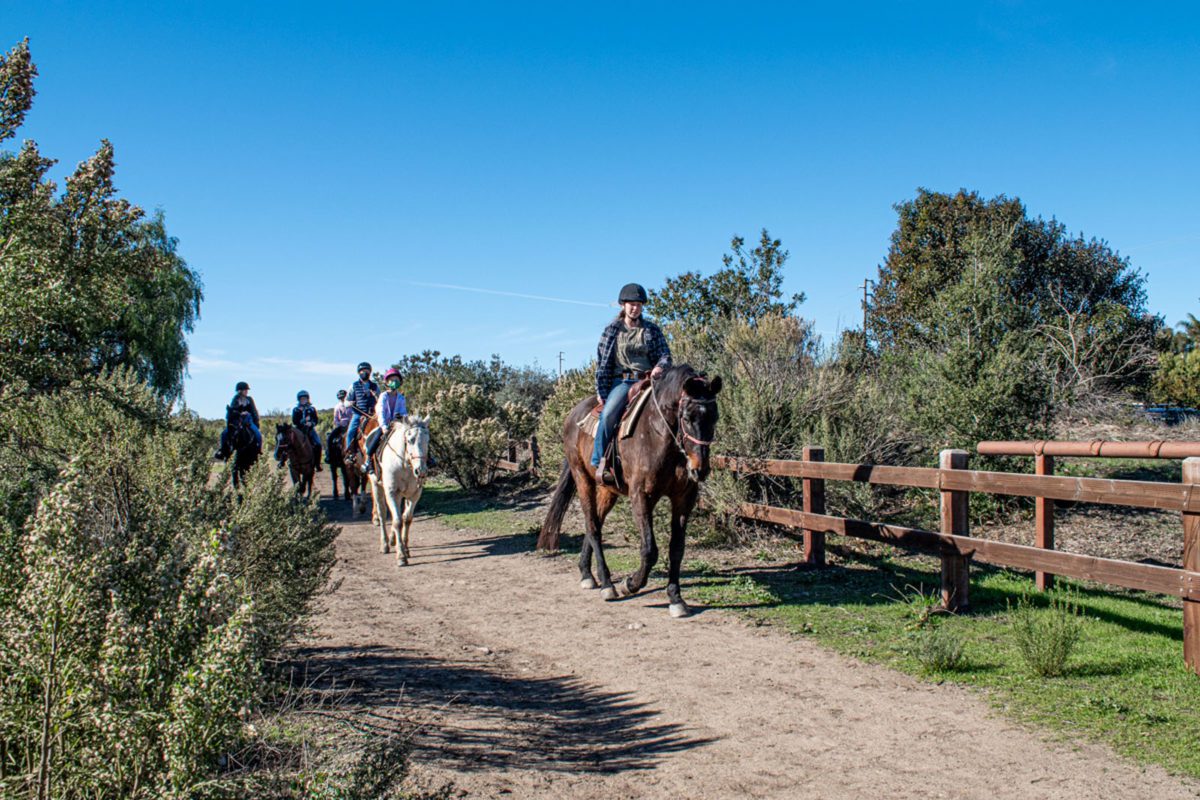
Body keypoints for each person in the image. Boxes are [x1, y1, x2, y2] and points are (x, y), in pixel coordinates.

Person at [592, 283, 671, 482]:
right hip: (623, 382)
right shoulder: (612, 331)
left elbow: (665, 354)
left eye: (638, 304)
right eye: (631, 304)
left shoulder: (651, 330)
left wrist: (660, 366)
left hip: (649, 381)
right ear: (622, 306)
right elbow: (602, 363)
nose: (635, 308)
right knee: (608, 415)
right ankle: (600, 461)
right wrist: (601, 391)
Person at [365, 368, 407, 473]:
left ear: (400, 382)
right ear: (387, 382)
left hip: (397, 426)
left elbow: (404, 412)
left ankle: (426, 459)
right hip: (385, 425)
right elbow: (380, 411)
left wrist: (403, 419)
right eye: (391, 380)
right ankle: (368, 460)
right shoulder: (383, 396)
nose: (394, 382)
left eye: (396, 380)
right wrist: (383, 426)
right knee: (375, 437)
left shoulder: (401, 398)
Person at [214, 381, 262, 459]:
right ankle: (222, 450)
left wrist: (256, 420)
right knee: (224, 434)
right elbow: (232, 411)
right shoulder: (235, 399)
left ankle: (259, 450)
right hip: (238, 421)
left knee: (258, 434)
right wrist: (240, 413)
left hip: (248, 421)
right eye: (245, 390)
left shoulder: (249, 399)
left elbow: (254, 411)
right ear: (240, 390)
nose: (246, 391)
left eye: (247, 390)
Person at [344, 361, 379, 454]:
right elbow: (346, 401)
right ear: (359, 372)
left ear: (370, 372)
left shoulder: (375, 386)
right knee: (350, 432)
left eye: (366, 370)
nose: (364, 372)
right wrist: (350, 403)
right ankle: (349, 453)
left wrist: (376, 396)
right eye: (362, 371)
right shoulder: (354, 385)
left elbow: (380, 401)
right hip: (358, 414)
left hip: (372, 415)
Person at [288, 390, 323, 471]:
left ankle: (317, 464)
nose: (303, 400)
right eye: (301, 399)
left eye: (305, 398)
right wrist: (302, 421)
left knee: (318, 444)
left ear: (308, 399)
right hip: (299, 430)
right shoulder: (296, 410)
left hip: (310, 430)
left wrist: (311, 423)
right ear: (299, 400)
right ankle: (286, 461)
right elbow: (294, 421)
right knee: (289, 443)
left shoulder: (312, 409)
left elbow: (315, 420)